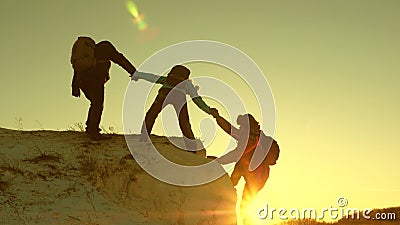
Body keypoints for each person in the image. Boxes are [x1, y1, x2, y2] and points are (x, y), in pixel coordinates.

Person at [210, 109, 279, 224]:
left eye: (242, 126)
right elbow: (231, 130)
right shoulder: (258, 136)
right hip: (261, 176)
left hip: (254, 175)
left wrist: (218, 161)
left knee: (243, 204)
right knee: (246, 205)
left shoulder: (247, 138)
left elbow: (230, 132)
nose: (240, 128)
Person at [131, 65, 212, 152]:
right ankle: (191, 149)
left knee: (152, 114)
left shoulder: (167, 80)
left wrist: (137, 74)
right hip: (179, 97)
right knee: (184, 122)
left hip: (164, 93)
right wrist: (209, 110)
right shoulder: (187, 84)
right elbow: (197, 99)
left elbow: (152, 77)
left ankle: (144, 137)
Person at [71, 37, 136, 140]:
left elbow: (77, 70)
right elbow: (120, 59)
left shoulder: (87, 56)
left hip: (82, 82)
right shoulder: (105, 49)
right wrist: (133, 72)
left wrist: (74, 86)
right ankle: (93, 132)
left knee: (94, 103)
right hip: (95, 81)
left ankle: (90, 128)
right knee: (97, 104)